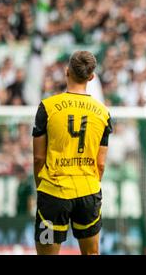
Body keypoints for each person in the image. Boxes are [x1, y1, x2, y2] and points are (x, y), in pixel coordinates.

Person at [32, 51, 112, 255]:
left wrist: (40, 186)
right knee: (91, 254)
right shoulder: (103, 112)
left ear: (66, 71)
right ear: (91, 77)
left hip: (53, 193)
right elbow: (100, 164)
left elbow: (38, 157)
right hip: (88, 193)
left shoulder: (47, 107)